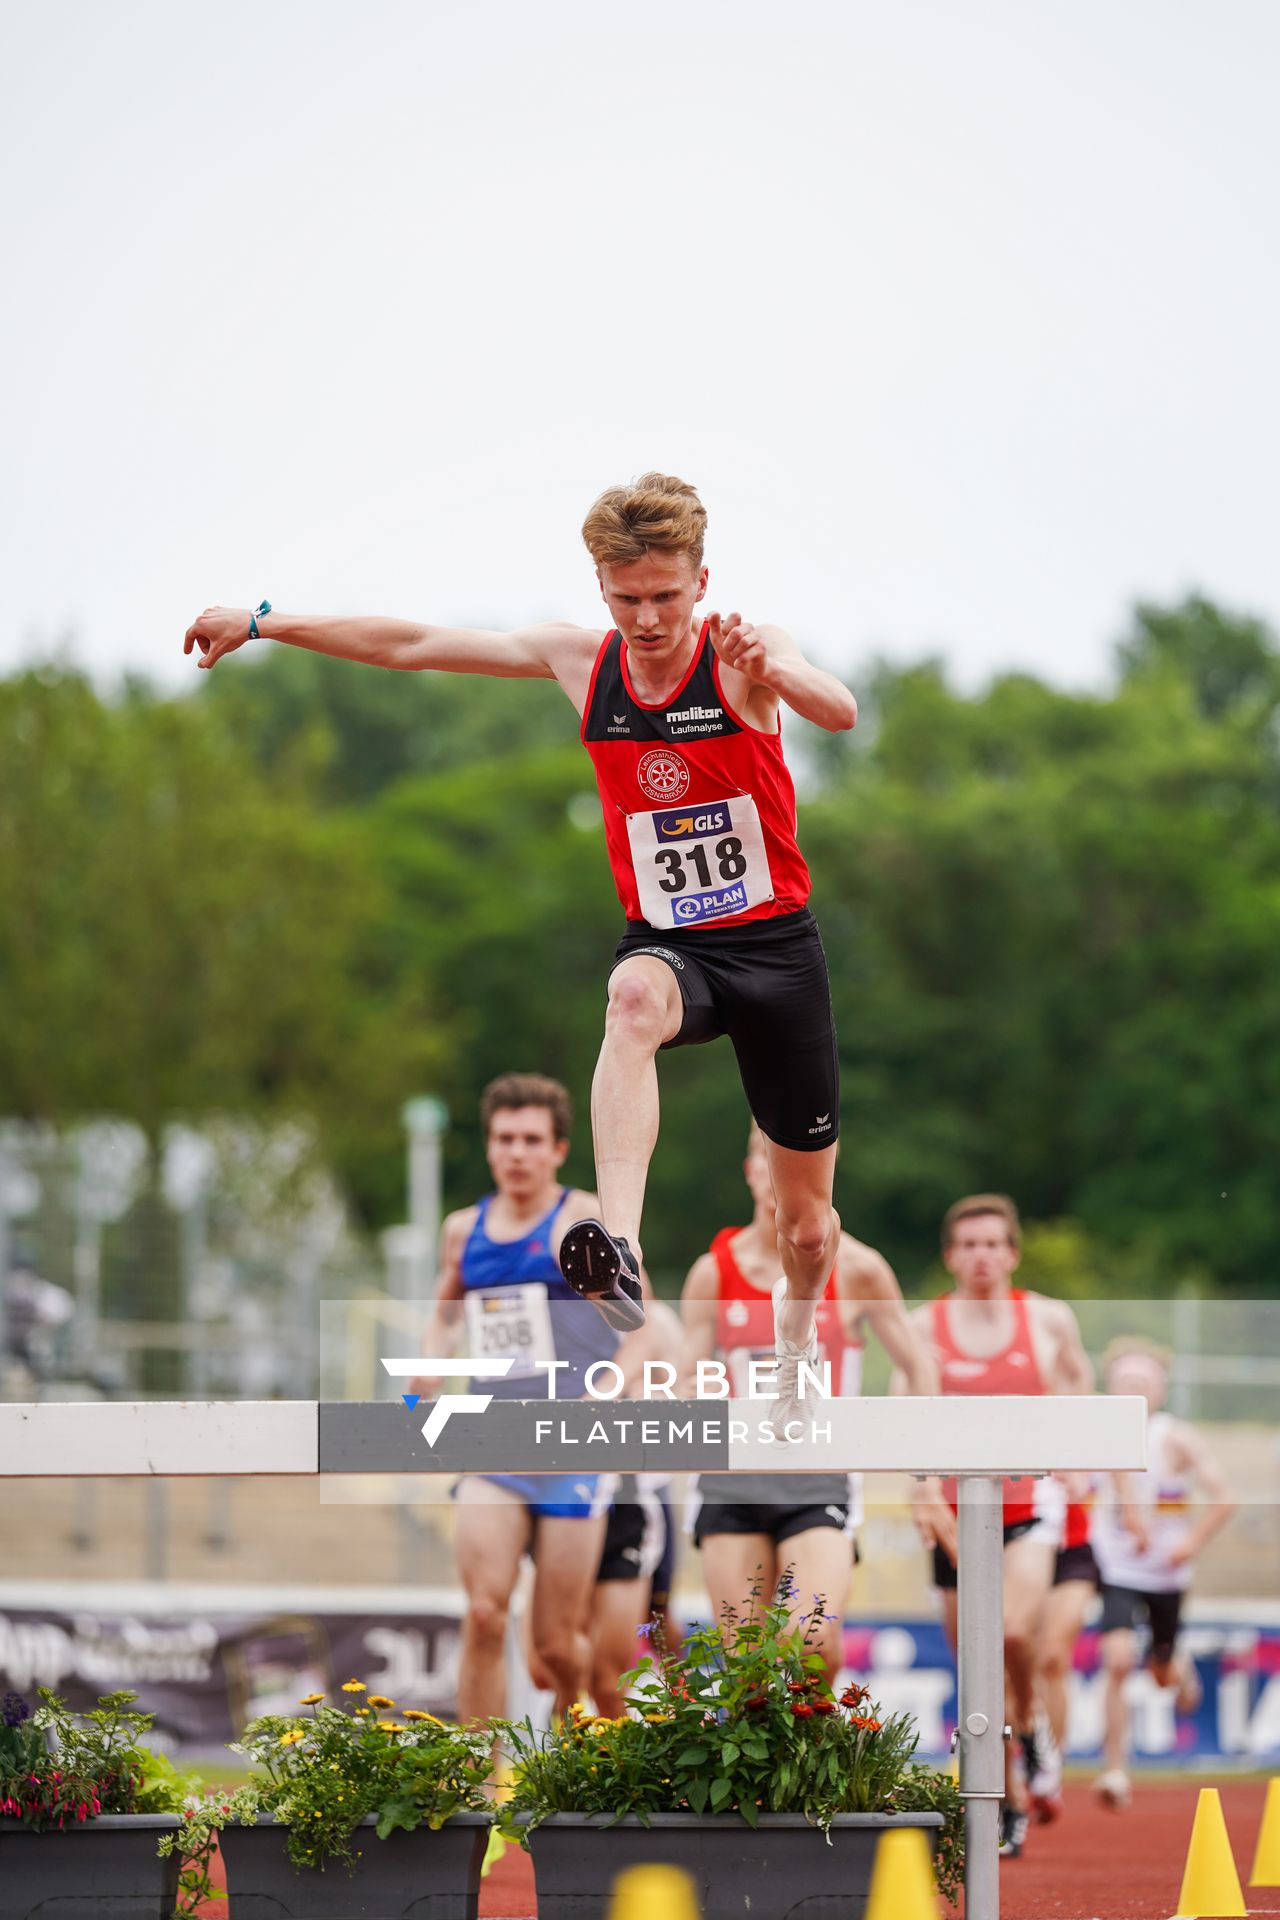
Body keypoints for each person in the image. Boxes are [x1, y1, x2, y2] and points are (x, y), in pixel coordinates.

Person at [184, 473, 857, 1413]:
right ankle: (617, 1247)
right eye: (628, 599)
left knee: (809, 1224)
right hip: (673, 946)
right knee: (629, 1001)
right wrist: (265, 622)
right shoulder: (580, 663)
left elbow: (838, 710)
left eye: (666, 596)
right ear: (601, 591)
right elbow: (412, 644)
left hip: (777, 949)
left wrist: (779, 672)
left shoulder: (745, 650)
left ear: (701, 583)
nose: (649, 618)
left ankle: (796, 1349)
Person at [405, 1072, 649, 1722]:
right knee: (484, 1614)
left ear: (559, 1149)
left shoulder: (584, 1217)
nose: (517, 1152)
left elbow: (641, 1330)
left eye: (532, 1139)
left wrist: (605, 1393)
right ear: (488, 1147)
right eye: (505, 1138)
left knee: (554, 1649)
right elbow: (446, 1316)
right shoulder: (464, 1230)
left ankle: (564, 1741)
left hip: (574, 1446)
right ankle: (480, 1792)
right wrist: (428, 1367)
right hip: (495, 1440)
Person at [679, 1126, 938, 1684]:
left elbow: (918, 1365)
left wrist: (922, 1473)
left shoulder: (859, 1268)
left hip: (819, 1478)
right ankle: (765, 1773)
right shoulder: (712, 1272)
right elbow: (683, 1380)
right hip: (733, 1480)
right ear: (749, 1170)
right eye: (764, 1161)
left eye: (788, 1162)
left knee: (811, 1641)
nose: (777, 1175)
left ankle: (817, 1765)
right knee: (746, 1663)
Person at [900, 1194, 1094, 1859]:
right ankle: (1007, 1799)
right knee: (973, 1669)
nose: (982, 1256)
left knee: (1011, 1631)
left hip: (1028, 1504)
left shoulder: (1046, 1320)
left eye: (993, 1244)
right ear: (951, 1256)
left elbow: (1077, 1389)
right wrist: (922, 1490)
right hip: (956, 1514)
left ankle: (1033, 1721)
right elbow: (905, 1416)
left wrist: (1074, 1460)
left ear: (1012, 1253)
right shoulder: (924, 1327)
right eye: (969, 1245)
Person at [1091, 1339, 1236, 1811]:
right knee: (1116, 1660)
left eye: (1142, 1382)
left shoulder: (1177, 1438)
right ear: (1110, 1388)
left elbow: (1225, 1498)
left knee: (1159, 1674)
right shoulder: (1097, 1434)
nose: (1134, 1389)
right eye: (1125, 1382)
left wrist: (1189, 1544)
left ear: (1161, 1389)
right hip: (1115, 1566)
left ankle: (1178, 1671)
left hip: (1166, 1573)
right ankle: (1115, 1769)